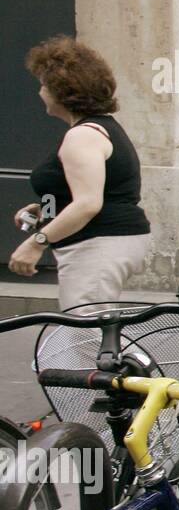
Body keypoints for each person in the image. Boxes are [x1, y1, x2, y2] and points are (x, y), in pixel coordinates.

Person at [11, 37, 151, 310]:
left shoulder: (83, 136)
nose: (40, 91)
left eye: (43, 84)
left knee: (84, 337)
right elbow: (81, 192)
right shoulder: (98, 129)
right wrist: (46, 209)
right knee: (87, 336)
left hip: (98, 245)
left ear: (60, 90)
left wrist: (36, 242)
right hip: (103, 242)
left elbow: (88, 203)